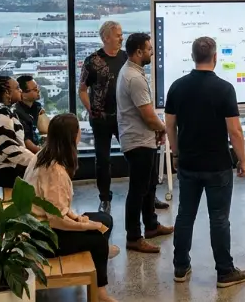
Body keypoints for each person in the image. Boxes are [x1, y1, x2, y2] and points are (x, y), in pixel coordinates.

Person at [164, 37, 245, 288]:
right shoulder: (224, 89)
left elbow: (170, 125)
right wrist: (243, 160)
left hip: (189, 163)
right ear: (215, 57)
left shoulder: (177, 87)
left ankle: (180, 268)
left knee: (185, 216)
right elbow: (235, 131)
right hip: (218, 165)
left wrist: (177, 153)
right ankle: (225, 272)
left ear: (193, 57)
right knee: (220, 219)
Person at [24, 114, 119, 302]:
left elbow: (57, 208)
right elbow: (56, 220)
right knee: (98, 238)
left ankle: (98, 256)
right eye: (78, 131)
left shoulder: (43, 155)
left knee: (104, 220)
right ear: (72, 136)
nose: (80, 133)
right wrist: (86, 226)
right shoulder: (54, 170)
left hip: (40, 226)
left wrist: (79, 218)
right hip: (42, 238)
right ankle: (100, 293)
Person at [116, 33, 173, 253]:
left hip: (143, 138)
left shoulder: (132, 72)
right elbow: (148, 116)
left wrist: (157, 131)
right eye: (149, 49)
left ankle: (151, 225)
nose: (151, 52)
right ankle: (133, 237)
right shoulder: (135, 78)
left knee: (149, 186)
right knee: (137, 190)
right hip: (137, 141)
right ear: (138, 52)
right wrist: (163, 128)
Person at [79, 21, 127, 213]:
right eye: (117, 35)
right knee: (103, 159)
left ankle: (146, 195)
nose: (121, 38)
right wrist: (91, 109)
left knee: (137, 156)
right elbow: (82, 90)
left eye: (121, 34)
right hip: (101, 119)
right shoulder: (92, 61)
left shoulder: (126, 58)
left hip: (124, 116)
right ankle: (105, 199)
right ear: (106, 38)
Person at [0, 76, 34, 188]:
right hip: (1, 170)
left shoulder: (5, 113)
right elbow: (10, 149)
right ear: (7, 92)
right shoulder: (1, 116)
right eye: (17, 88)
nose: (20, 90)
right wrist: (37, 161)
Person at [13, 75, 43, 154]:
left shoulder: (36, 106)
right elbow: (25, 140)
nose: (38, 90)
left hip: (36, 146)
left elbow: (45, 128)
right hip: (26, 153)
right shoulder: (17, 113)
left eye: (37, 87)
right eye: (34, 89)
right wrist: (44, 154)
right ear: (23, 94)